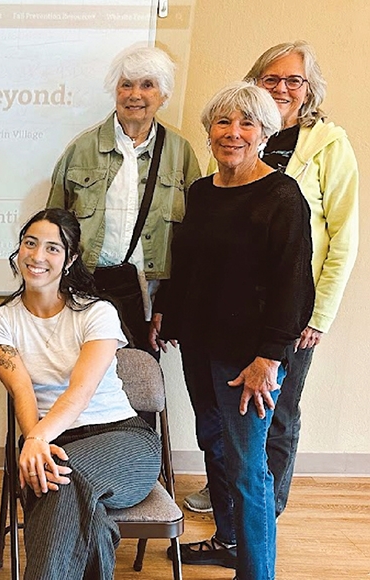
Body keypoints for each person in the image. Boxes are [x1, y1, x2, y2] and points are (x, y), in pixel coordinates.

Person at [182, 39, 360, 521]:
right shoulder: (231, 148)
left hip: (292, 314)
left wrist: (317, 316)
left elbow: (342, 238)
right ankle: (234, 515)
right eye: (271, 78)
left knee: (276, 416)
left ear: (309, 90)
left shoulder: (327, 145)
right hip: (232, 316)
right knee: (226, 423)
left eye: (294, 80)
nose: (282, 88)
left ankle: (264, 511)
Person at [151, 82, 314, 580]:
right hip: (200, 348)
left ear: (265, 132)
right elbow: (191, 266)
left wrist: (269, 357)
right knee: (215, 450)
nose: (233, 133)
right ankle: (229, 544)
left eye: (247, 123)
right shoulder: (201, 192)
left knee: (248, 470)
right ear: (209, 131)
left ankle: (256, 571)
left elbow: (294, 285)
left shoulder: (282, 196)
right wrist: (168, 314)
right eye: (223, 122)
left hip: (249, 360)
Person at [0, 208, 161, 580]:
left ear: (70, 259)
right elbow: (22, 391)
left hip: (124, 439)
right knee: (71, 498)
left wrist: (35, 442)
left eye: (52, 248)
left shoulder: (97, 313)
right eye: (30, 243)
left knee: (55, 480)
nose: (37, 256)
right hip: (51, 442)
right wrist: (37, 442)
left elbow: (81, 391)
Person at [47, 45, 200, 358]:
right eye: (126, 84)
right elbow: (53, 231)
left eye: (147, 85)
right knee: (82, 386)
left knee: (139, 385)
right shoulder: (82, 148)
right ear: (114, 90)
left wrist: (170, 306)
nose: (135, 94)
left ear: (164, 95)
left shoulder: (180, 154)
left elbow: (192, 241)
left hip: (147, 301)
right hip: (83, 294)